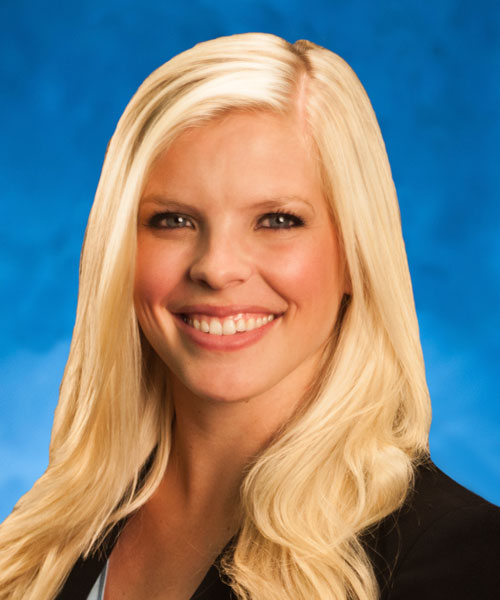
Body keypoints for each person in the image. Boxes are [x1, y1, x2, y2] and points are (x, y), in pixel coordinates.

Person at [0, 32, 498, 600]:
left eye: (278, 220)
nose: (217, 268)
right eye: (172, 220)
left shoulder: (464, 558)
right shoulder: (40, 543)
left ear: (355, 257)